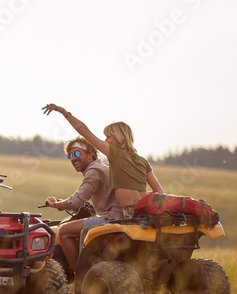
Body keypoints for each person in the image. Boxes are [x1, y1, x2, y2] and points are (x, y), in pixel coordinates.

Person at [42, 104, 163, 216]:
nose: (106, 141)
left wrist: (63, 112)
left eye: (108, 137)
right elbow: (159, 192)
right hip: (144, 212)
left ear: (119, 138)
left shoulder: (116, 154)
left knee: (68, 232)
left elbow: (84, 131)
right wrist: (139, 199)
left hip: (130, 214)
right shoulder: (143, 161)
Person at [44, 137, 125, 272]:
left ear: (90, 154)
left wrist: (55, 204)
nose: (73, 158)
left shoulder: (94, 171)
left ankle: (79, 276)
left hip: (111, 218)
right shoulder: (102, 168)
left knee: (64, 232)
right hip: (118, 216)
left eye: (77, 153)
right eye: (70, 155)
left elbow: (75, 202)